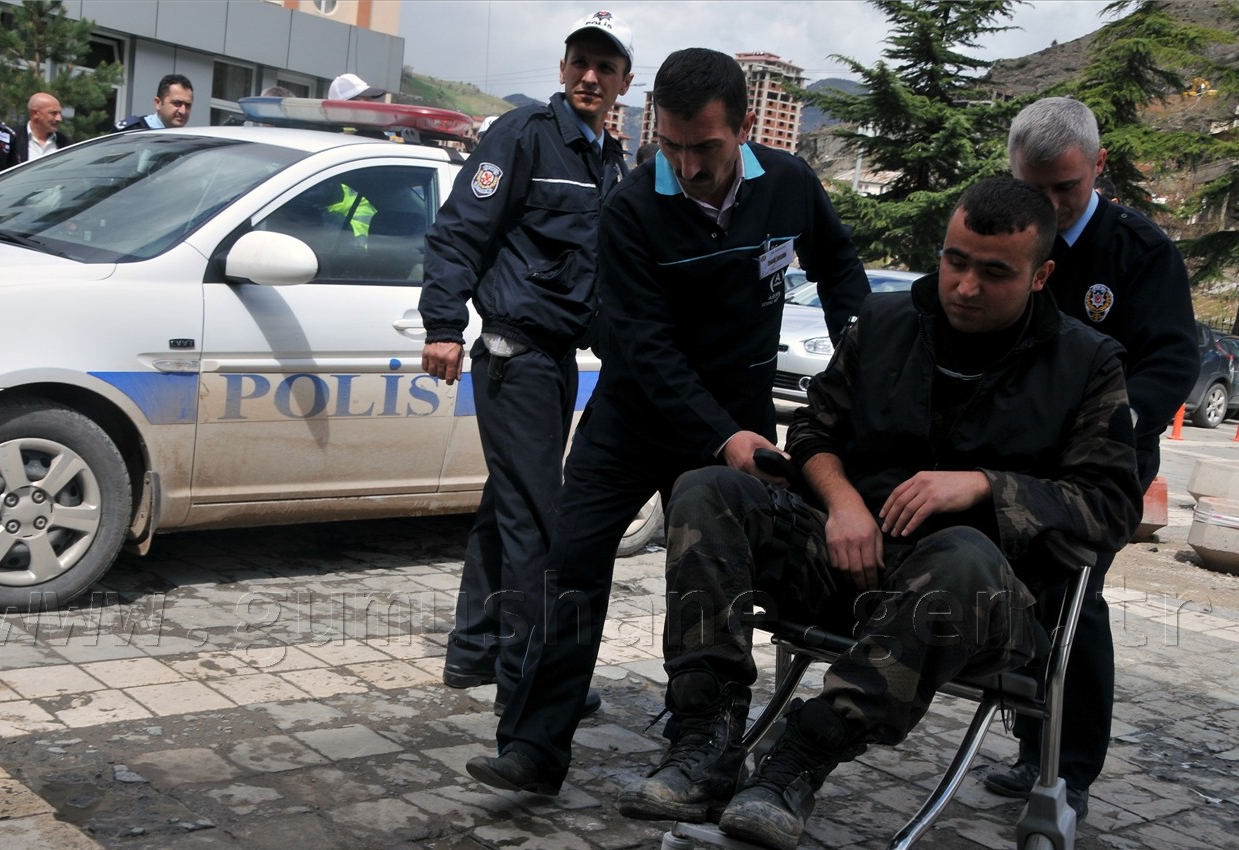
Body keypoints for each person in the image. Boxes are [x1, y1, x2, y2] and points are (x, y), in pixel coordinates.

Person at [616, 176, 1142, 850]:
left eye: (994, 272)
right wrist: (841, 505)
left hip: (981, 603)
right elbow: (811, 435)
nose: (966, 287)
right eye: (955, 261)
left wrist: (984, 486)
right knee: (706, 489)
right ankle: (704, 744)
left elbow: (1112, 505)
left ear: (1041, 275)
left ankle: (796, 762)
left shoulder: (1087, 364)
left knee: (962, 553)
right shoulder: (888, 323)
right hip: (849, 562)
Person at [464, 47, 870, 795]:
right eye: (673, 145)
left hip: (741, 417)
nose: (686, 165)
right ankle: (533, 747)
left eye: (705, 148)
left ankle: (704, 743)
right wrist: (722, 435)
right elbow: (645, 348)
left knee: (717, 579)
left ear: (745, 128)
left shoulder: (787, 185)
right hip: (635, 417)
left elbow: (840, 268)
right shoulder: (630, 208)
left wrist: (857, 349)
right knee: (570, 565)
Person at [984, 96, 1199, 819]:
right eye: (1031, 188)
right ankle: (1029, 748)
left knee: (1075, 593)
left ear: (1098, 167)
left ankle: (1068, 768)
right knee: (1017, 590)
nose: (1044, 205)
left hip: (1103, 462)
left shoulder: (1140, 252)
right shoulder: (1008, 238)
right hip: (1015, 452)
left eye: (1063, 190)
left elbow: (1173, 359)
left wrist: (1109, 419)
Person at [419, 11, 635, 717]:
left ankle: (474, 649)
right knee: (537, 522)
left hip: (558, 359)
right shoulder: (523, 136)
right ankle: (530, 677)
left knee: (506, 505)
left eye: (605, 67)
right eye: (580, 61)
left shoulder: (607, 159)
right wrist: (445, 325)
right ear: (564, 66)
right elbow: (459, 232)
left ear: (625, 81)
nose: (590, 77)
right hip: (515, 355)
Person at [115, 73, 194, 131]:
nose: (183, 111)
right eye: (177, 103)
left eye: (188, 105)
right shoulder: (131, 131)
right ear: (158, 103)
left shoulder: (191, 141)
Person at [14, 92, 71, 162]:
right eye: (53, 113)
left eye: (60, 113)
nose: (59, 119)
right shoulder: (12, 138)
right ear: (35, 113)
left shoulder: (65, 143)